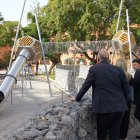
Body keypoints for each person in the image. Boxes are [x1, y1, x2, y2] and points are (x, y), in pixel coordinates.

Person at [71, 50, 131, 140]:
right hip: (119, 107)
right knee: (114, 133)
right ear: (108, 58)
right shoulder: (118, 70)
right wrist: (124, 104)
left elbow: (86, 86)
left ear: (98, 58)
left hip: (104, 107)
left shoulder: (94, 69)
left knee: (102, 133)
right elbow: (127, 89)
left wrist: (77, 98)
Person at [116, 59, 133, 140]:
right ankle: (123, 138)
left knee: (115, 122)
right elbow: (131, 92)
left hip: (116, 102)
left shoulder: (114, 76)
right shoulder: (129, 76)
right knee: (125, 122)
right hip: (126, 102)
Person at [132, 58, 140, 139]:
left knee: (137, 114)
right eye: (133, 65)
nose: (134, 66)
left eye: (135, 65)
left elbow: (134, 83)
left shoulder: (138, 72)